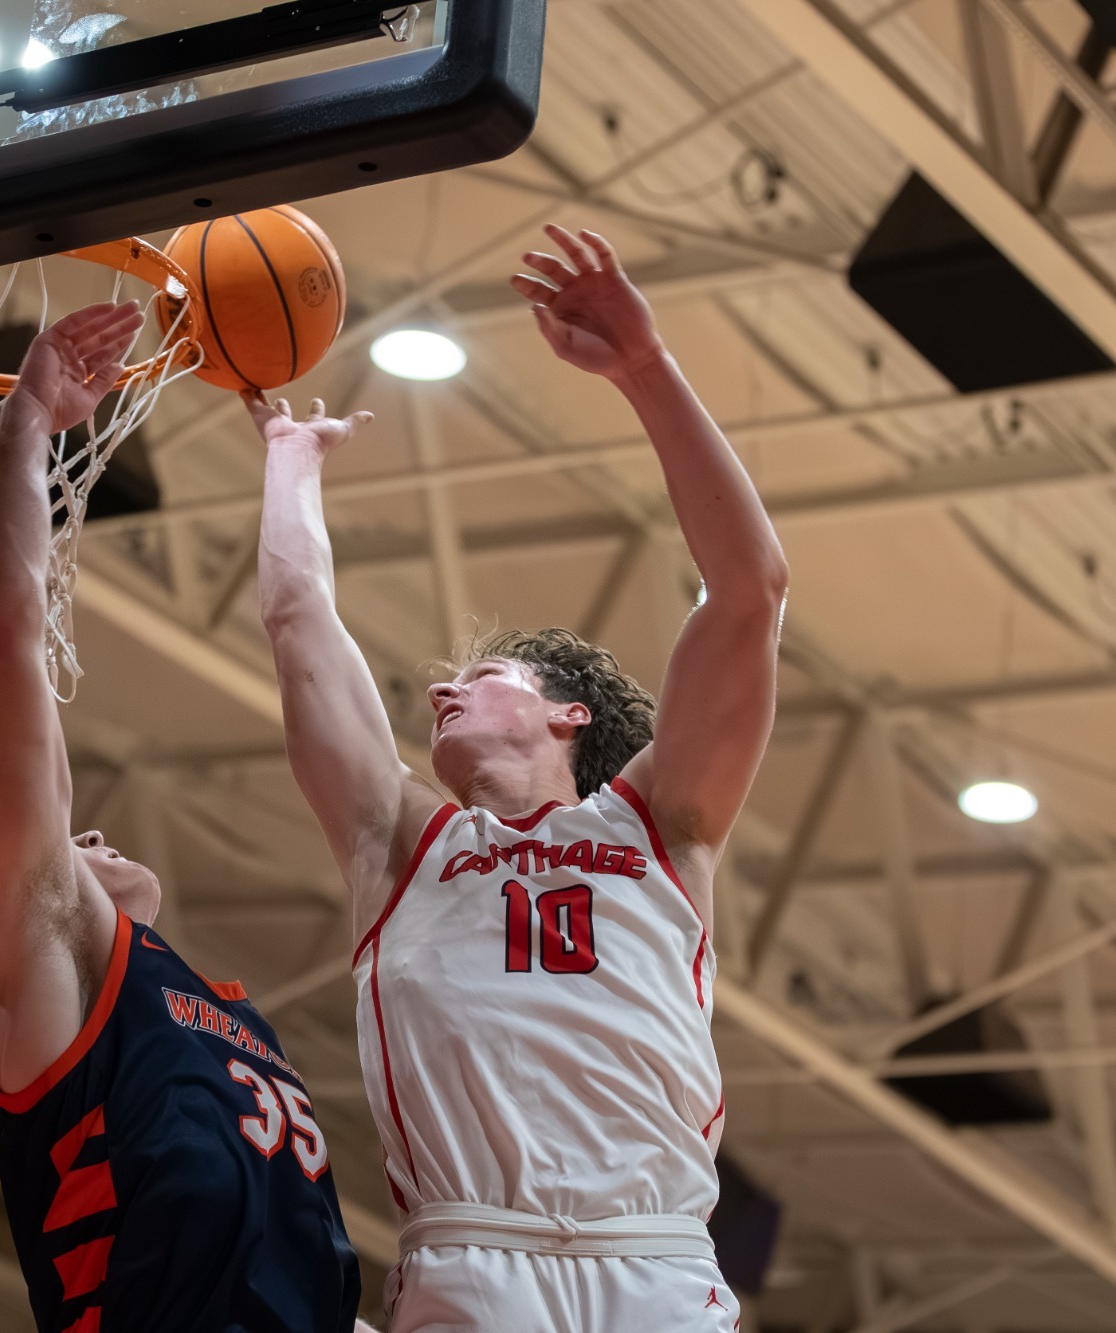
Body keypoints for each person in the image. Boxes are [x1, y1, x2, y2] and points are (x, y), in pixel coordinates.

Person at [250, 225, 789, 1331]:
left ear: (567, 713)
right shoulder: (396, 841)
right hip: (471, 1254)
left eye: (482, 676)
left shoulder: (662, 822)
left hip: (654, 1257)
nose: (440, 690)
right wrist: (290, 460)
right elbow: (298, 620)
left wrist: (644, 367)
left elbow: (749, 589)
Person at [0, 301, 363, 1333]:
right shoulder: (47, 975)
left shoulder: (214, 1019)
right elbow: (4, 622)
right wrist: (25, 425)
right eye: (53, 843)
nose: (84, 834)